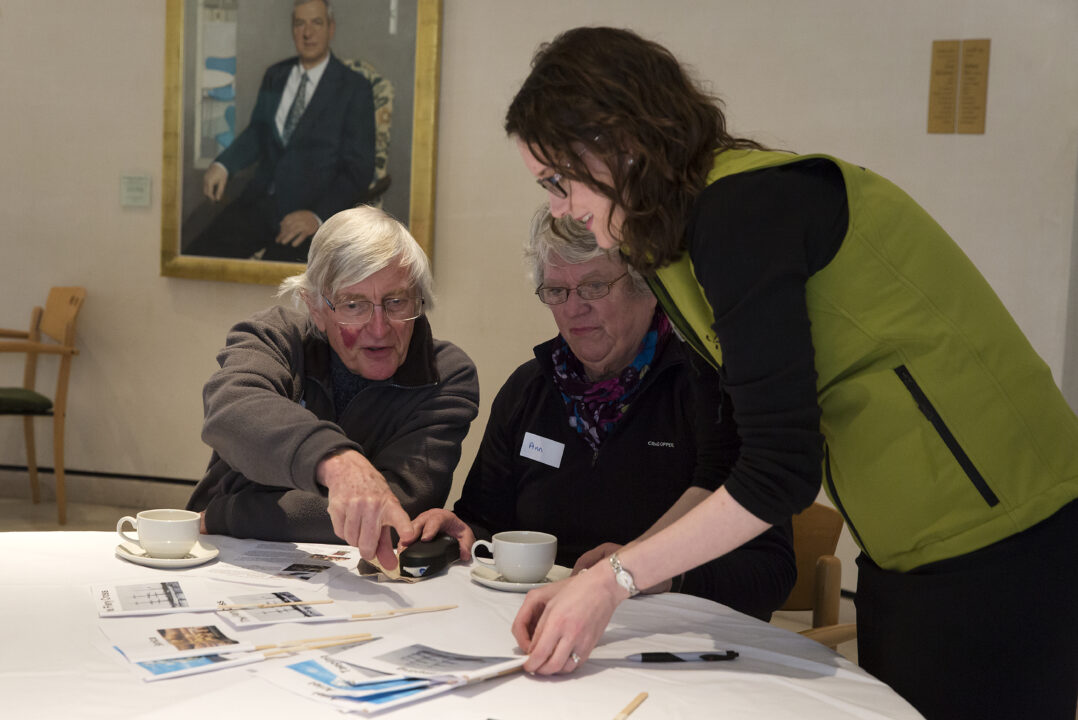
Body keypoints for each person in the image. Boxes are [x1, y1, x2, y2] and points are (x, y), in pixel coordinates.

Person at [503, 26, 1078, 720]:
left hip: (1003, 539)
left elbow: (781, 470)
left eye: (558, 181)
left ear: (619, 143)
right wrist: (608, 573)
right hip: (910, 543)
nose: (562, 206)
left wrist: (615, 582)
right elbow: (740, 456)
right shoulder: (681, 241)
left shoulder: (742, 209)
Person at [409, 207, 795, 621]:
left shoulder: (707, 390)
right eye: (557, 291)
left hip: (674, 642)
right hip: (542, 623)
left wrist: (655, 572)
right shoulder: (530, 389)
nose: (574, 308)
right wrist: (462, 530)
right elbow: (486, 519)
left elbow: (770, 572)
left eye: (593, 286)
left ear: (647, 288)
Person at [186, 206, 479, 571]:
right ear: (316, 308)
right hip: (223, 562)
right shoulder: (274, 337)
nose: (379, 327)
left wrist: (227, 512)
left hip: (350, 578)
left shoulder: (446, 374)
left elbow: (393, 513)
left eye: (396, 301)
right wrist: (339, 465)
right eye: (353, 305)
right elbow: (231, 412)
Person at [184, 0, 376, 263]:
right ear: (292, 30)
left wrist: (317, 217)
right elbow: (257, 133)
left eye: (316, 23)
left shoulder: (354, 88)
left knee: (275, 285)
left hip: (310, 214)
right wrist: (223, 164)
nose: (307, 33)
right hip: (260, 204)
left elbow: (358, 170)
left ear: (331, 29)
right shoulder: (276, 75)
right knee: (196, 256)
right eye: (300, 24)